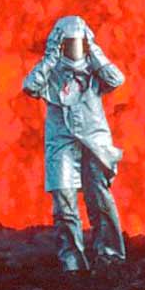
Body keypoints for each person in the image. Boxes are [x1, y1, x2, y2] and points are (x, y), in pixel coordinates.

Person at [22, 15, 127, 272]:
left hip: (93, 139)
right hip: (62, 142)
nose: (73, 48)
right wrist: (50, 59)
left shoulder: (94, 69)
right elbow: (30, 86)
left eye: (77, 42)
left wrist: (94, 52)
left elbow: (116, 79)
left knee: (99, 198)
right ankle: (72, 263)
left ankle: (110, 256)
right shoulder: (52, 71)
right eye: (68, 43)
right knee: (64, 200)